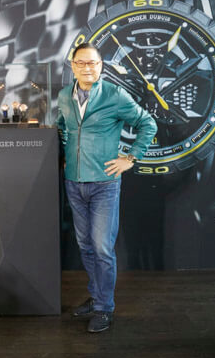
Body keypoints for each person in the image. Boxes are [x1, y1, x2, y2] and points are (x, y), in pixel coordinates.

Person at [57, 42, 157, 333]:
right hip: (74, 182)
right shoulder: (64, 96)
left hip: (104, 184)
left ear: (101, 66)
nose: (88, 68)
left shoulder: (115, 95)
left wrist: (131, 157)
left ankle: (104, 308)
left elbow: (147, 123)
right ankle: (97, 296)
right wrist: (64, 154)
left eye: (93, 63)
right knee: (86, 246)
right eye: (82, 63)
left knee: (102, 247)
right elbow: (62, 126)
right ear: (73, 66)